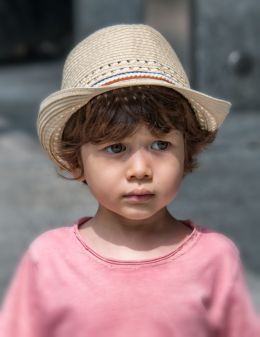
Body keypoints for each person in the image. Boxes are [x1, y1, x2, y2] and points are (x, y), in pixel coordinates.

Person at [1, 24, 259, 337]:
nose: (140, 169)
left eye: (160, 145)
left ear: (187, 151)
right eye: (116, 148)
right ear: (76, 161)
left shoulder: (214, 258)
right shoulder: (49, 260)